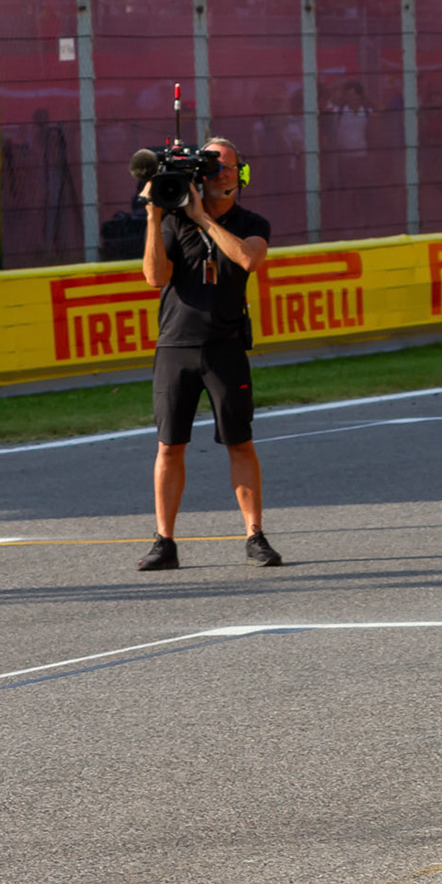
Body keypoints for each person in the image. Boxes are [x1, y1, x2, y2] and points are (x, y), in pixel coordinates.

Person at [137, 137, 283, 571]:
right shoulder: (173, 222)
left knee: (239, 442)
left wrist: (203, 217)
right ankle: (164, 541)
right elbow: (153, 276)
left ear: (241, 174)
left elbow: (247, 259)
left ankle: (255, 536)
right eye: (211, 166)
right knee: (169, 446)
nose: (219, 173)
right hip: (175, 346)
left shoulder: (251, 221)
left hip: (225, 346)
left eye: (227, 167)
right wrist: (154, 215)